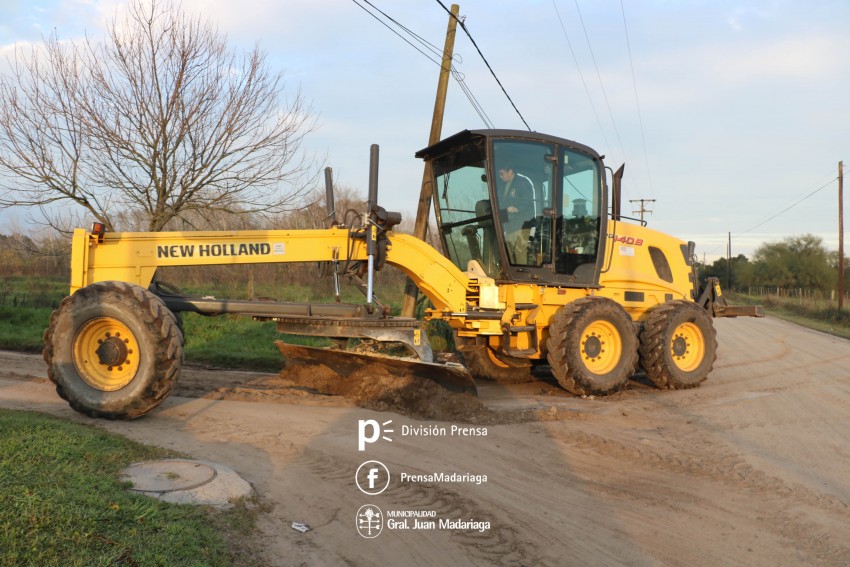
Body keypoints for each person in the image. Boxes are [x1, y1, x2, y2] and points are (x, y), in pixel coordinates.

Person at [497, 163, 536, 264]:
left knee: (520, 253)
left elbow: (528, 200)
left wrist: (517, 208)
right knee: (509, 256)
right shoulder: (503, 186)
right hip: (509, 226)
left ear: (510, 171)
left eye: (502, 174)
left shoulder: (522, 182)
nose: (500, 177)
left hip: (522, 225)